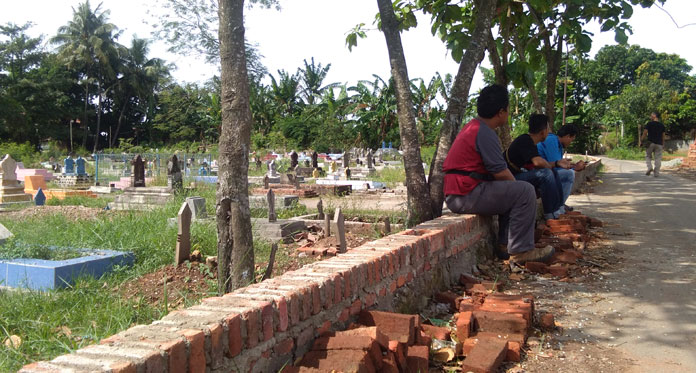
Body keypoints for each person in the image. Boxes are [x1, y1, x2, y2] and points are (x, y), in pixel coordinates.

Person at [443, 85, 555, 265]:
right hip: (465, 193)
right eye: (508, 109)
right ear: (501, 112)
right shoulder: (484, 132)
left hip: (460, 191)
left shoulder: (474, 127)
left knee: (515, 191)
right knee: (524, 191)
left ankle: (505, 244)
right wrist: (521, 192)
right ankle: (521, 251)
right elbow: (501, 174)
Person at [505, 114, 565, 220]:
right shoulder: (525, 140)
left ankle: (559, 209)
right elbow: (538, 163)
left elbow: (538, 163)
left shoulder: (531, 143)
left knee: (553, 172)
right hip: (509, 179)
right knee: (546, 174)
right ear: (543, 132)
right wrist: (550, 166)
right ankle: (551, 215)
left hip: (517, 175)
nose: (549, 132)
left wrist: (556, 164)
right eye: (548, 129)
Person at [537, 124, 585, 211]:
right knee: (569, 174)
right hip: (539, 172)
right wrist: (574, 168)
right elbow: (556, 167)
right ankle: (558, 207)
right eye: (572, 139)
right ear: (567, 136)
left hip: (545, 171)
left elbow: (559, 164)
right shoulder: (551, 140)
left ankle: (559, 204)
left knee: (567, 173)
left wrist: (574, 166)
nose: (571, 143)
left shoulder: (558, 144)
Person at [641, 112, 665, 177]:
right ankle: (656, 173)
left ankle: (649, 167)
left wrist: (641, 140)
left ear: (654, 116)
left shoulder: (649, 124)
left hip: (650, 143)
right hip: (659, 144)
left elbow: (645, 133)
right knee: (658, 158)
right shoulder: (662, 125)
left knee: (648, 156)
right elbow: (663, 136)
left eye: (651, 115)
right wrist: (663, 144)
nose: (650, 117)